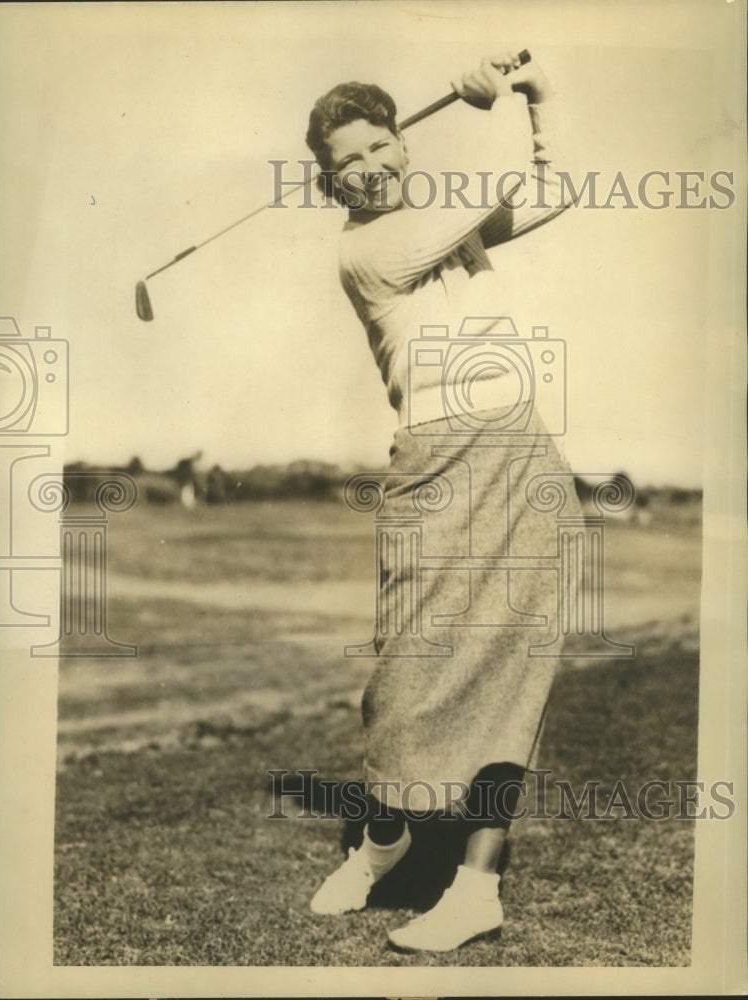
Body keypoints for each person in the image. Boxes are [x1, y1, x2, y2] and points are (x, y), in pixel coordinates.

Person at [304, 50, 582, 952]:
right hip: (432, 462)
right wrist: (480, 102)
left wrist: (537, 95)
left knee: (511, 667)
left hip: (516, 449)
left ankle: (475, 887)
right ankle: (385, 840)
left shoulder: (439, 226)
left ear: (403, 145)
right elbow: (493, 185)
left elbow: (557, 187)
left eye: (380, 145)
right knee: (403, 678)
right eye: (348, 161)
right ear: (329, 181)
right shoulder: (367, 248)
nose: (370, 167)